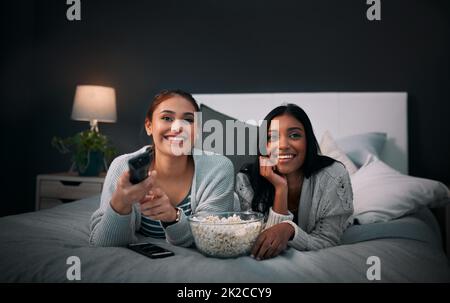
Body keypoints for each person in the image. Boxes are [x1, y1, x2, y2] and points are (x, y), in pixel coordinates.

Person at [90, 89, 235, 247]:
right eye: (167, 118)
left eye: (188, 120)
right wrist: (121, 203)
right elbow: (103, 243)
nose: (177, 128)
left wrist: (173, 217)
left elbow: (211, 240)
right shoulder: (122, 167)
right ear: (149, 126)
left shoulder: (219, 169)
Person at [235, 104, 354, 260]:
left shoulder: (334, 176)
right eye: (272, 137)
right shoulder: (246, 181)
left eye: (294, 135)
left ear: (308, 141)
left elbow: (327, 240)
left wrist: (289, 230)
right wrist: (280, 188)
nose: (283, 146)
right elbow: (265, 244)